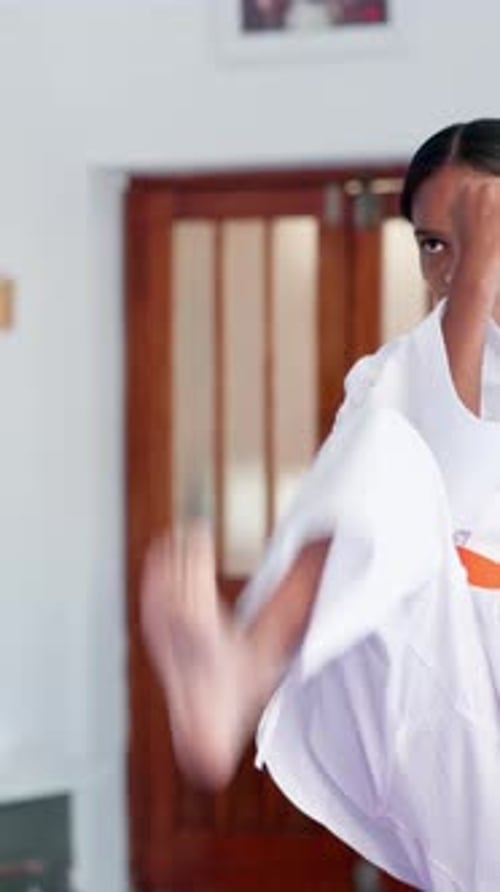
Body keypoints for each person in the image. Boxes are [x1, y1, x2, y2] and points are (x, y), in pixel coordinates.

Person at [141, 119, 500, 891]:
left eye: (481, 235)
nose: (454, 269)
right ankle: (239, 671)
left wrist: (476, 280)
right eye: (435, 244)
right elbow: (445, 469)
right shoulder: (391, 378)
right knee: (386, 449)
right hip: (442, 696)